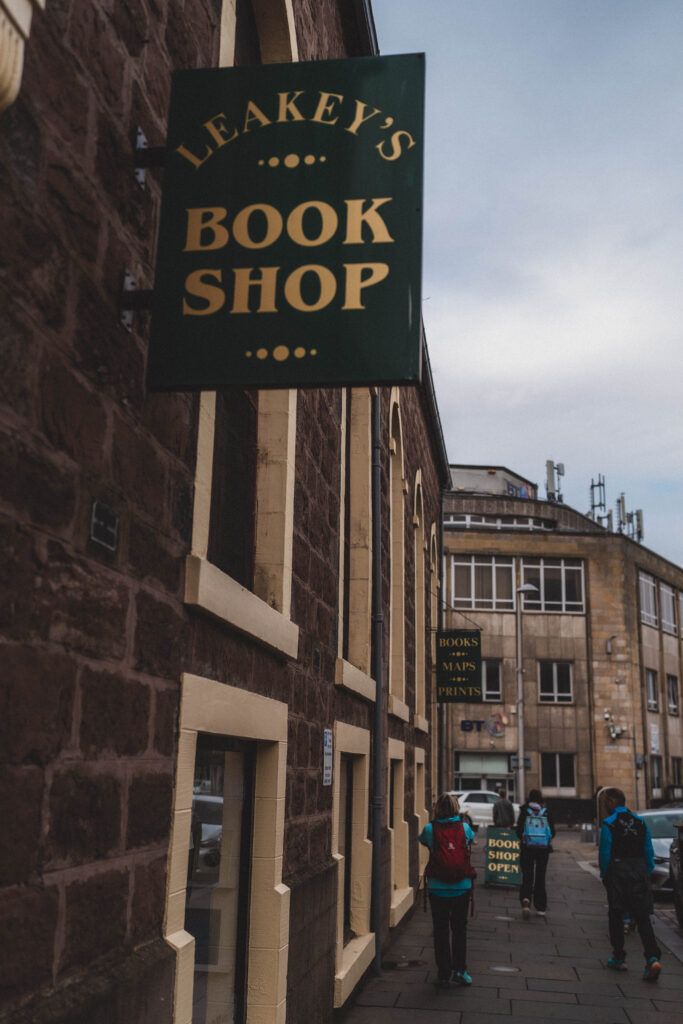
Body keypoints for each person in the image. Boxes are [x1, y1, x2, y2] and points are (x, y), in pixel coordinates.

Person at [599, 787, 662, 980]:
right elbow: (648, 850)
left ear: (611, 802)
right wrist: (646, 870)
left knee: (616, 916)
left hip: (618, 873)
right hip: (639, 871)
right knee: (643, 917)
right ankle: (652, 958)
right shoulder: (640, 822)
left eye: (605, 803)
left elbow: (605, 853)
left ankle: (619, 958)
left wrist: (604, 874)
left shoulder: (609, 824)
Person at [419, 792, 475, 988]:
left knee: (441, 931)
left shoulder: (429, 829)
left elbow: (423, 841)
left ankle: (444, 973)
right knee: (459, 930)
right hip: (462, 887)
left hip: (437, 888)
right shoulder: (465, 827)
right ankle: (461, 971)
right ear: (455, 809)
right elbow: (470, 840)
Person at [515, 788, 554, 918]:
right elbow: (552, 832)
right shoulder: (546, 812)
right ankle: (540, 907)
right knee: (540, 876)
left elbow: (518, 830)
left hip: (528, 848)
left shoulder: (525, 812)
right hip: (543, 849)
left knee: (527, 875)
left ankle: (526, 898)